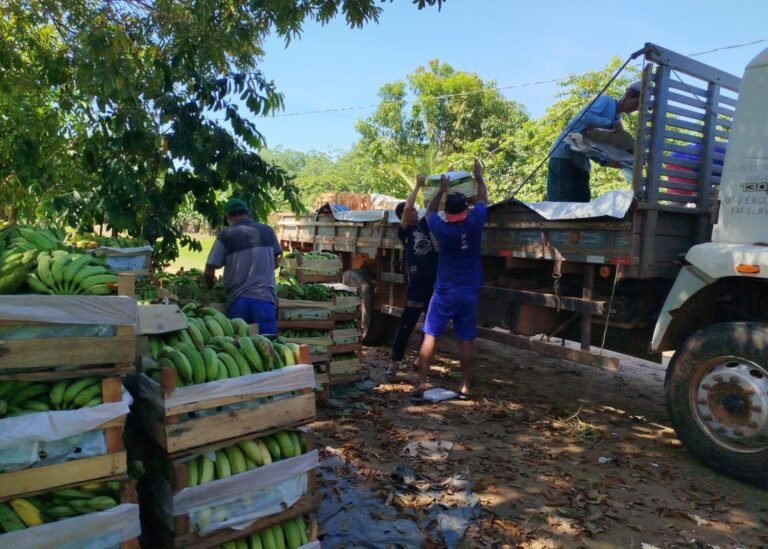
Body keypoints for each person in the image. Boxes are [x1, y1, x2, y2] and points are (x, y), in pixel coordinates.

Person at [412, 160, 488, 400]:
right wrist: (479, 177)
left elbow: (430, 211)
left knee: (431, 335)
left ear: (448, 213)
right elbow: (483, 199)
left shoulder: (441, 229)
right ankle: (465, 387)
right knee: (466, 339)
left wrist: (441, 190)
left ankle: (422, 382)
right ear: (466, 210)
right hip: (468, 293)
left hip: (444, 292)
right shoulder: (475, 223)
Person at [547, 80, 642, 202]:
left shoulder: (617, 118)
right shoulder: (606, 101)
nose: (636, 109)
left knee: (582, 202)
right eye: (637, 103)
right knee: (560, 202)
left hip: (582, 160)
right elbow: (585, 116)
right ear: (628, 95)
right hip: (563, 154)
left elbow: (596, 145)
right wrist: (609, 124)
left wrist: (611, 162)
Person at [204, 197, 282, 335]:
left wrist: (209, 286)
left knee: (239, 349)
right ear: (248, 213)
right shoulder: (268, 231)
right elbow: (275, 263)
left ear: (227, 216)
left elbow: (210, 270)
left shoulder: (227, 234)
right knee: (270, 347)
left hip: (239, 301)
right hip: (265, 300)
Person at [387, 174, 439, 380]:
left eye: (417, 211)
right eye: (412, 212)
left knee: (431, 324)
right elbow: (408, 207)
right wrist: (417, 185)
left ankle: (420, 361)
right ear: (403, 216)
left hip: (432, 284)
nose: (415, 213)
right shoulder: (404, 232)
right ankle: (394, 364)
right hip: (416, 286)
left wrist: (442, 190)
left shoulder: (423, 226)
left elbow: (433, 208)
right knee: (407, 325)